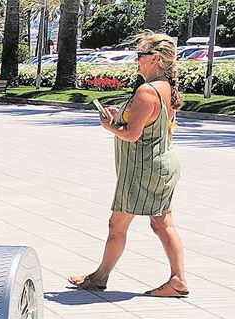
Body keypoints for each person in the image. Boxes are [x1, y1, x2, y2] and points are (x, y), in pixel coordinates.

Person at [69, 32, 188, 298]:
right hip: (160, 165)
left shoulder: (147, 91)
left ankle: (100, 278)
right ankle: (177, 280)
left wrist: (110, 125)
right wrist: (121, 117)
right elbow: (149, 125)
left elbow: (132, 135)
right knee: (162, 223)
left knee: (118, 224)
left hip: (143, 169)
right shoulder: (165, 88)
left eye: (140, 56)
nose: (136, 61)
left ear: (155, 59)